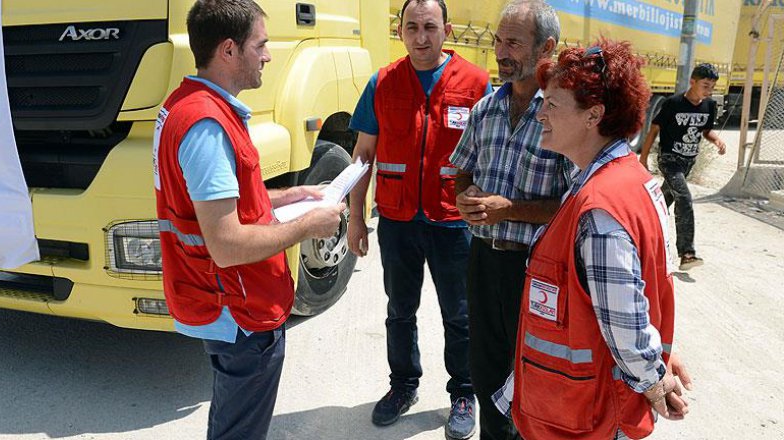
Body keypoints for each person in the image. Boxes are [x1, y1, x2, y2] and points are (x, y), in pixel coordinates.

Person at [152, 1, 344, 439]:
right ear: (228, 50)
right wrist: (308, 225)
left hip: (224, 303)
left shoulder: (188, 105)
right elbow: (226, 243)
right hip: (239, 310)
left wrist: (290, 195)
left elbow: (224, 203)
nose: (268, 55)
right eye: (260, 44)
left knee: (231, 419)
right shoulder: (206, 126)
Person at [492, 39, 691, 440]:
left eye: (552, 105)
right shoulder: (627, 181)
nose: (539, 114)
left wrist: (654, 379)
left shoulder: (599, 209)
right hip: (584, 406)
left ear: (593, 115)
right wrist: (658, 360)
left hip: (589, 415)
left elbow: (626, 322)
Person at [346, 0, 490, 437]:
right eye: (412, 27)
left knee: (460, 315)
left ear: (446, 30)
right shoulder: (383, 82)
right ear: (401, 30)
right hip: (397, 218)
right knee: (400, 311)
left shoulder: (476, 82)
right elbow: (363, 155)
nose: (421, 37)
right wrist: (355, 217)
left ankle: (464, 392)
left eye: (430, 27)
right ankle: (403, 385)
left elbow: (490, 154)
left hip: (453, 221)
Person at [448, 1, 569, 439]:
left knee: (535, 376)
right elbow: (462, 170)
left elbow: (577, 204)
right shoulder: (485, 110)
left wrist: (511, 208)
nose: (501, 51)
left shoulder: (563, 115)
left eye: (514, 42)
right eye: (499, 40)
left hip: (537, 271)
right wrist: (465, 196)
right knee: (486, 372)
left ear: (547, 48)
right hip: (482, 260)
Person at [639, 63, 727, 270]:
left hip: (688, 163)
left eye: (712, 87)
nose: (709, 91)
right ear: (692, 82)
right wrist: (643, 159)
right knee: (684, 198)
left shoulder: (709, 106)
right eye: (705, 85)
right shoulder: (673, 103)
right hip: (669, 160)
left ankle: (639, 235)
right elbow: (653, 130)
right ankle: (687, 253)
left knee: (660, 203)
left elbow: (706, 131)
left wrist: (717, 141)